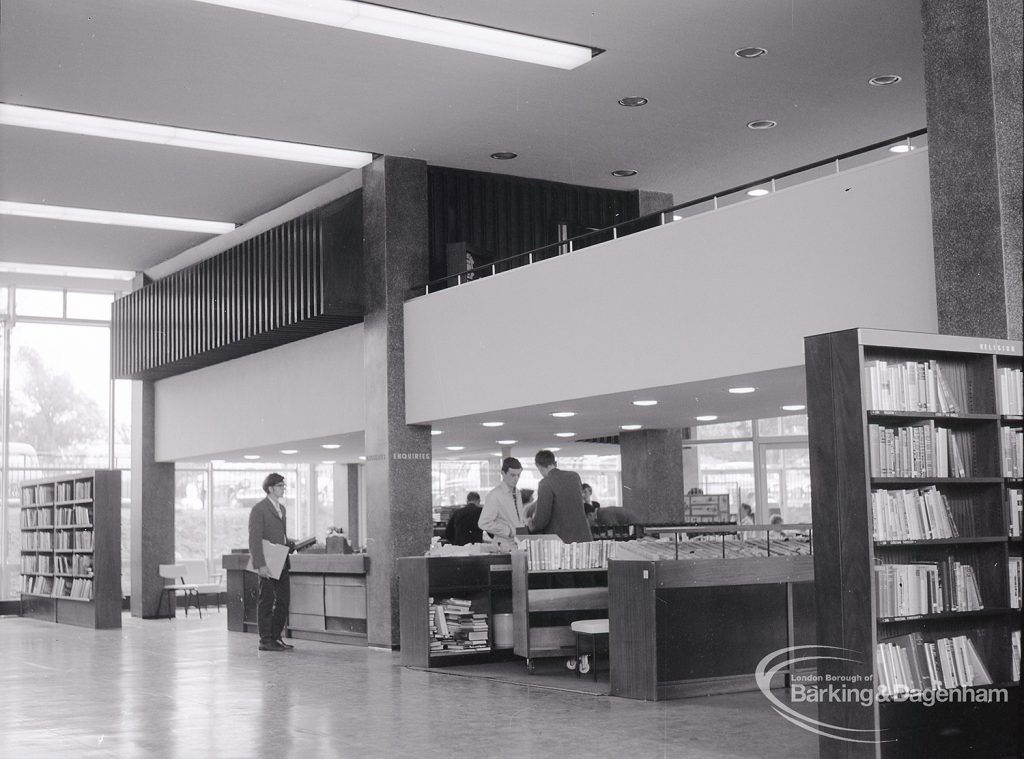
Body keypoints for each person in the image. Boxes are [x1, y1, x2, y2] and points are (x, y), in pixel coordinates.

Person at [248, 472, 295, 652]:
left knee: (284, 600)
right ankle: (265, 640)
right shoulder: (259, 509)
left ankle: (276, 637)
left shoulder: (281, 509)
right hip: (267, 561)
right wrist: (260, 564)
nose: (284, 489)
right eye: (280, 486)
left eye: (284, 486)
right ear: (270, 488)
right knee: (266, 600)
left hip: (282, 559)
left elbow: (279, 534)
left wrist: (288, 542)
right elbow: (254, 539)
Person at [528, 449, 592, 543]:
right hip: (584, 537)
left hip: (562, 540)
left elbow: (542, 518)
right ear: (555, 463)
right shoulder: (574, 476)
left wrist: (531, 523)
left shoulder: (545, 483)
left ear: (539, 467)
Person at [479, 458, 526, 544]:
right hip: (504, 544)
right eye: (512, 475)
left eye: (518, 475)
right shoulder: (495, 495)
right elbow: (483, 523)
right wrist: (508, 531)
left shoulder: (518, 493)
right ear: (503, 473)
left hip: (519, 542)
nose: (516, 479)